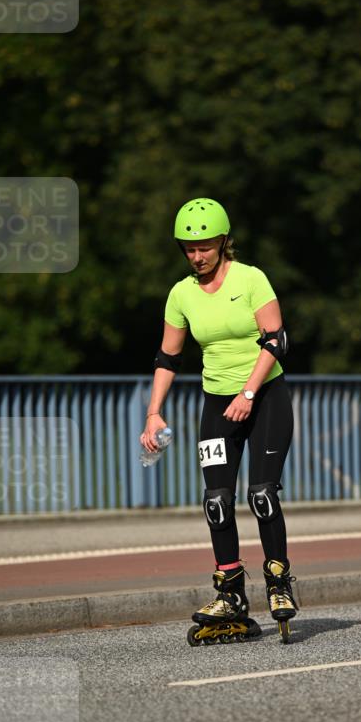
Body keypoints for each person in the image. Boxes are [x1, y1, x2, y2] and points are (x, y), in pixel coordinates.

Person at [140, 198, 299, 645]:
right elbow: (168, 357)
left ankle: (278, 581)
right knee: (215, 499)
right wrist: (153, 413)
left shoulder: (251, 279)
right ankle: (230, 594)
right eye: (189, 249)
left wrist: (249, 392)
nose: (197, 256)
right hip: (217, 404)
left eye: (205, 247)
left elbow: (276, 339)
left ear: (224, 243)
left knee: (262, 494)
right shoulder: (181, 294)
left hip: (265, 396)